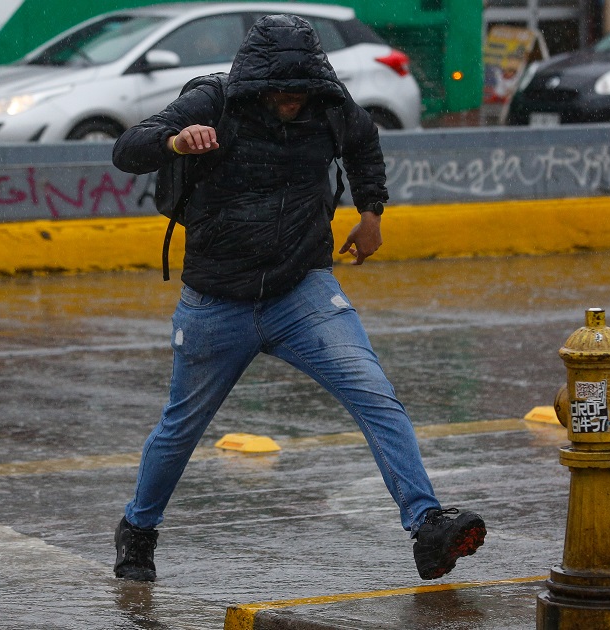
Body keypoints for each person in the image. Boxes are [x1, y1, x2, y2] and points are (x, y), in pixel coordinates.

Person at [110, 14, 485, 583]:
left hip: (301, 290)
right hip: (216, 300)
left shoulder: (329, 106)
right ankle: (138, 529)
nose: (291, 98)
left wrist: (371, 213)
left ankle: (428, 524)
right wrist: (174, 141)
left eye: (300, 88)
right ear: (256, 82)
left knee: (374, 394)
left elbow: (364, 144)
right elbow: (126, 149)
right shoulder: (212, 101)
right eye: (279, 89)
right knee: (181, 427)